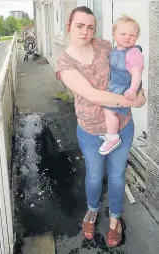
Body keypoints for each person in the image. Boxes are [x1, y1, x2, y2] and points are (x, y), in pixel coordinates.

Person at [55, 6, 146, 247]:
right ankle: (93, 210)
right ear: (69, 27)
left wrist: (140, 95)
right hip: (91, 132)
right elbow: (93, 95)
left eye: (90, 26)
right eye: (80, 26)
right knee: (95, 175)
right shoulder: (64, 63)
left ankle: (115, 218)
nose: (86, 31)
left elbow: (131, 73)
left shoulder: (106, 46)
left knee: (117, 176)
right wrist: (132, 101)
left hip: (123, 127)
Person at [99, 16, 144, 155]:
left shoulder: (133, 52)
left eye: (132, 35)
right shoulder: (115, 50)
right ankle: (110, 132)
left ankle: (113, 137)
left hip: (124, 88)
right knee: (106, 109)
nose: (127, 37)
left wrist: (133, 89)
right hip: (115, 85)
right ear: (114, 35)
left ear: (136, 37)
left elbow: (137, 74)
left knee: (109, 111)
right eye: (123, 34)